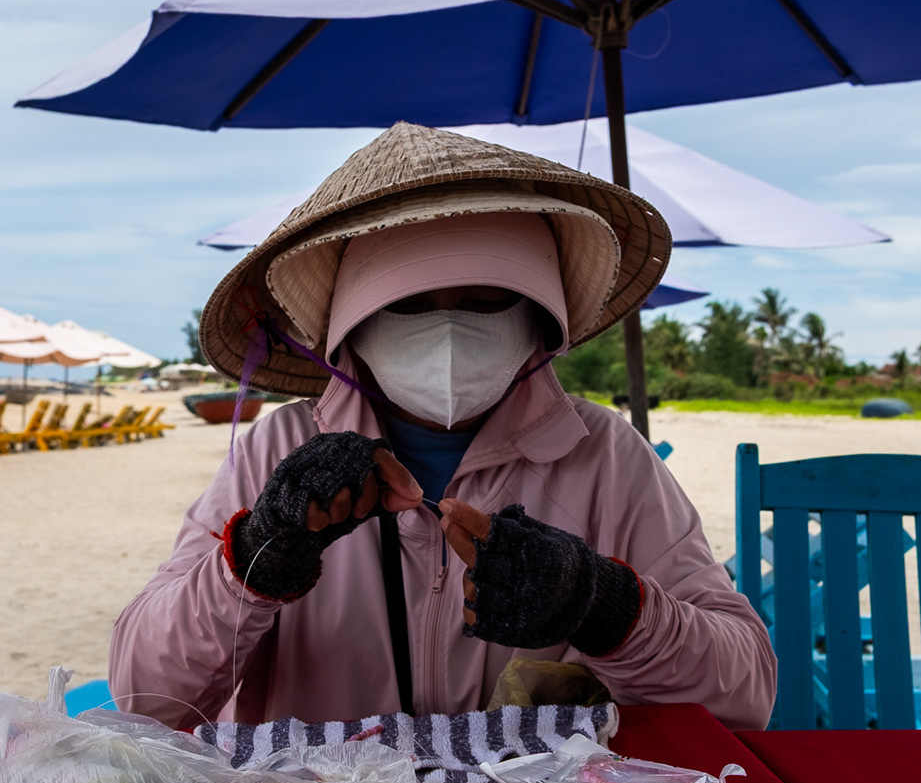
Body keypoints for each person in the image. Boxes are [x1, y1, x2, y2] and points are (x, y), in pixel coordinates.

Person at [110, 124, 775, 730]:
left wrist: (604, 604)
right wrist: (254, 556)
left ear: (539, 321)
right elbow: (147, 697)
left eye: (486, 301)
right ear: (352, 331)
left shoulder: (605, 457)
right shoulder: (277, 451)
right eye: (409, 305)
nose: (450, 332)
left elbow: (746, 693)